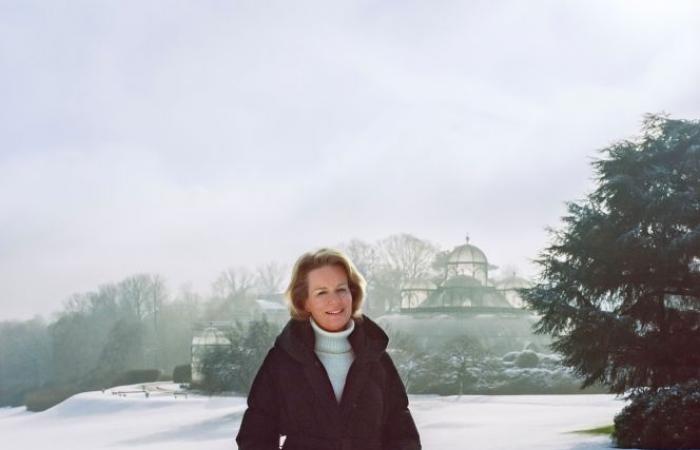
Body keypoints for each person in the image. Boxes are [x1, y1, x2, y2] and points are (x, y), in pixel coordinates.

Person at [236, 248, 421, 450]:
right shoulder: (282, 362)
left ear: (353, 293)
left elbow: (402, 435)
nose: (334, 300)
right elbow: (255, 436)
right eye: (321, 292)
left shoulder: (377, 359)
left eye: (341, 289)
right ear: (304, 302)